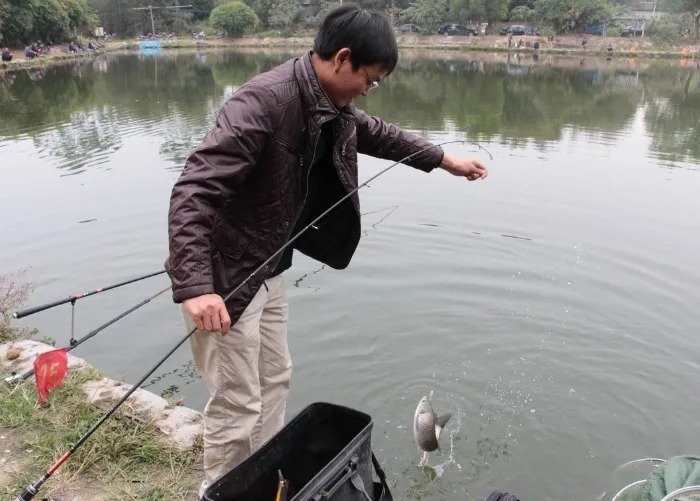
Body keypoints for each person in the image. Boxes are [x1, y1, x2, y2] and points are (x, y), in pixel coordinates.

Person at [165, 4, 488, 496]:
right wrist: (194, 286)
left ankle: (262, 486)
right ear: (342, 59)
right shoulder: (262, 104)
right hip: (225, 281)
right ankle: (221, 492)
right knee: (238, 403)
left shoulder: (328, 105)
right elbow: (194, 191)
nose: (368, 89)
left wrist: (445, 160)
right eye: (370, 79)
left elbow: (375, 132)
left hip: (269, 269)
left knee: (275, 383)